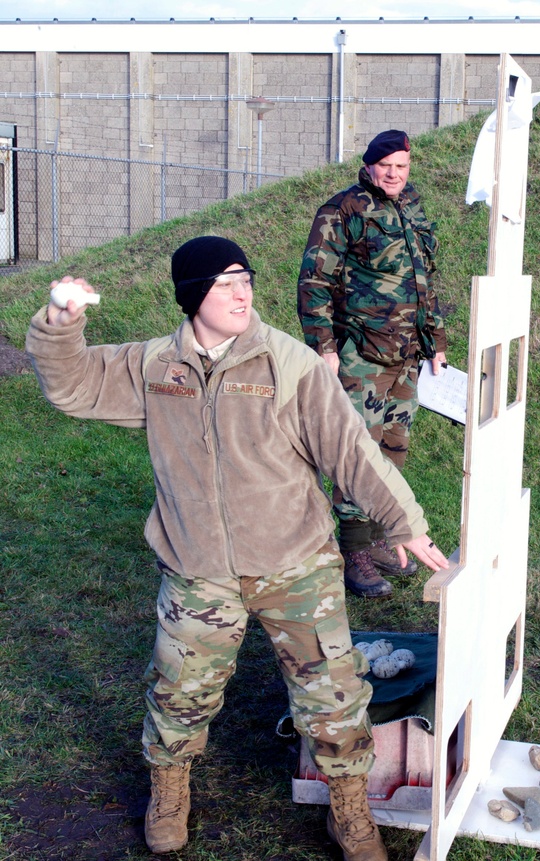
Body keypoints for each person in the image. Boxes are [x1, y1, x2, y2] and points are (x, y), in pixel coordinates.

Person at [25, 236, 449, 861]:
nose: (241, 291)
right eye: (223, 282)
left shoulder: (289, 363)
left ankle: (351, 812)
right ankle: (169, 793)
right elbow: (74, 384)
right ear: (193, 294)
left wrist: (403, 521)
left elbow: (350, 450)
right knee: (178, 693)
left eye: (244, 277)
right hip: (199, 571)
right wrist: (60, 324)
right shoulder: (154, 367)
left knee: (334, 697)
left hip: (295, 565)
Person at [298, 129, 447, 599]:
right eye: (386, 166)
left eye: (402, 166)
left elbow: (424, 280)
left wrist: (436, 341)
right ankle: (354, 550)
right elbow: (315, 280)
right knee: (356, 450)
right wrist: (322, 346)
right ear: (369, 165)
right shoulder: (342, 210)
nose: (394, 174)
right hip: (360, 353)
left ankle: (385, 535)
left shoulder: (411, 205)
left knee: (394, 446)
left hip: (407, 355)